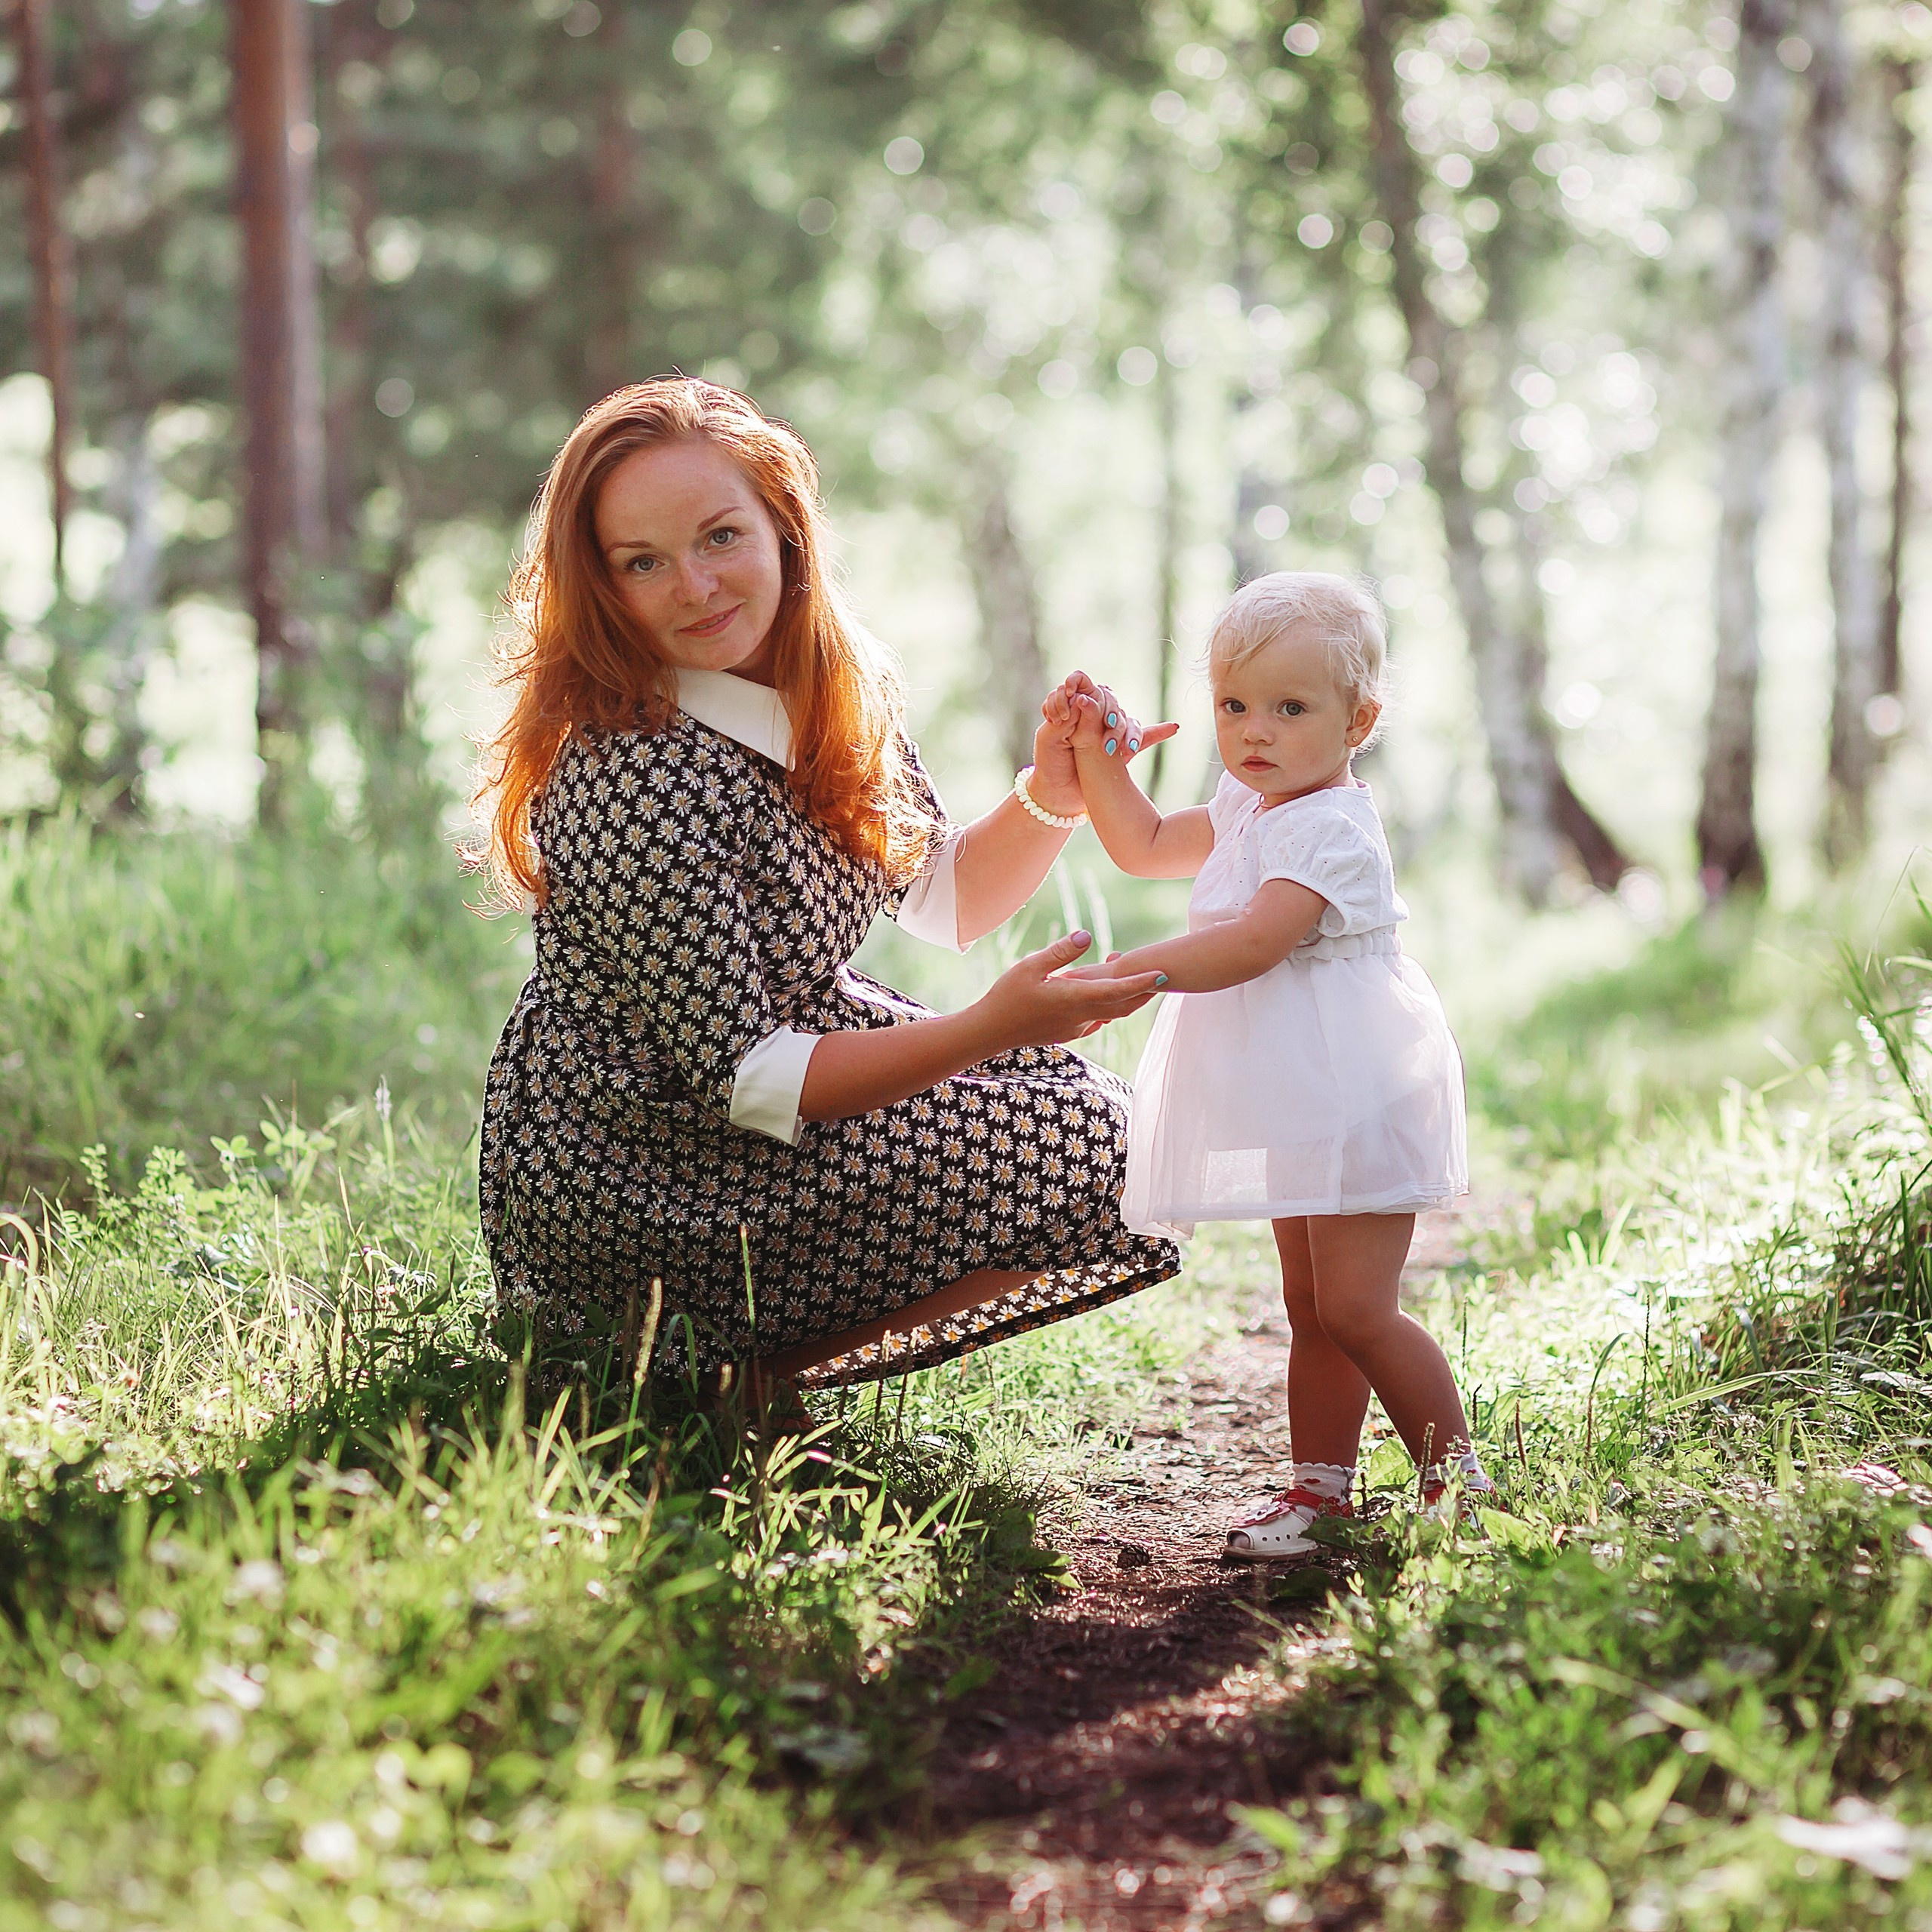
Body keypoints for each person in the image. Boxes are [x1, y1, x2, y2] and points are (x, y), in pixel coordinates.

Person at [472, 377, 1179, 1402]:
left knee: (1129, 1128)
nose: (694, 587)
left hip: (772, 1093)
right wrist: (985, 1026)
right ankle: (712, 1384)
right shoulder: (629, 769)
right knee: (1095, 1145)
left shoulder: (826, 686)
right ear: (603, 586)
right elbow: (746, 1080)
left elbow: (945, 898)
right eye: (643, 562)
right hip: (637, 1161)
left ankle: (754, 1378)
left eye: (721, 537)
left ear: (784, 527)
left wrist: (1054, 791)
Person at [1044, 571, 1487, 1557]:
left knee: (1359, 1308)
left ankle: (1457, 1484)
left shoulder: (1329, 824)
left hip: (1358, 1085)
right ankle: (1321, 1494)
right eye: (1234, 706)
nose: (1256, 732)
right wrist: (1095, 757)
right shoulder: (1251, 802)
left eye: (1291, 709)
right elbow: (1146, 844)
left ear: (1357, 720)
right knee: (1310, 1304)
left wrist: (1127, 972)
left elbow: (1254, 943)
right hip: (1302, 1090)